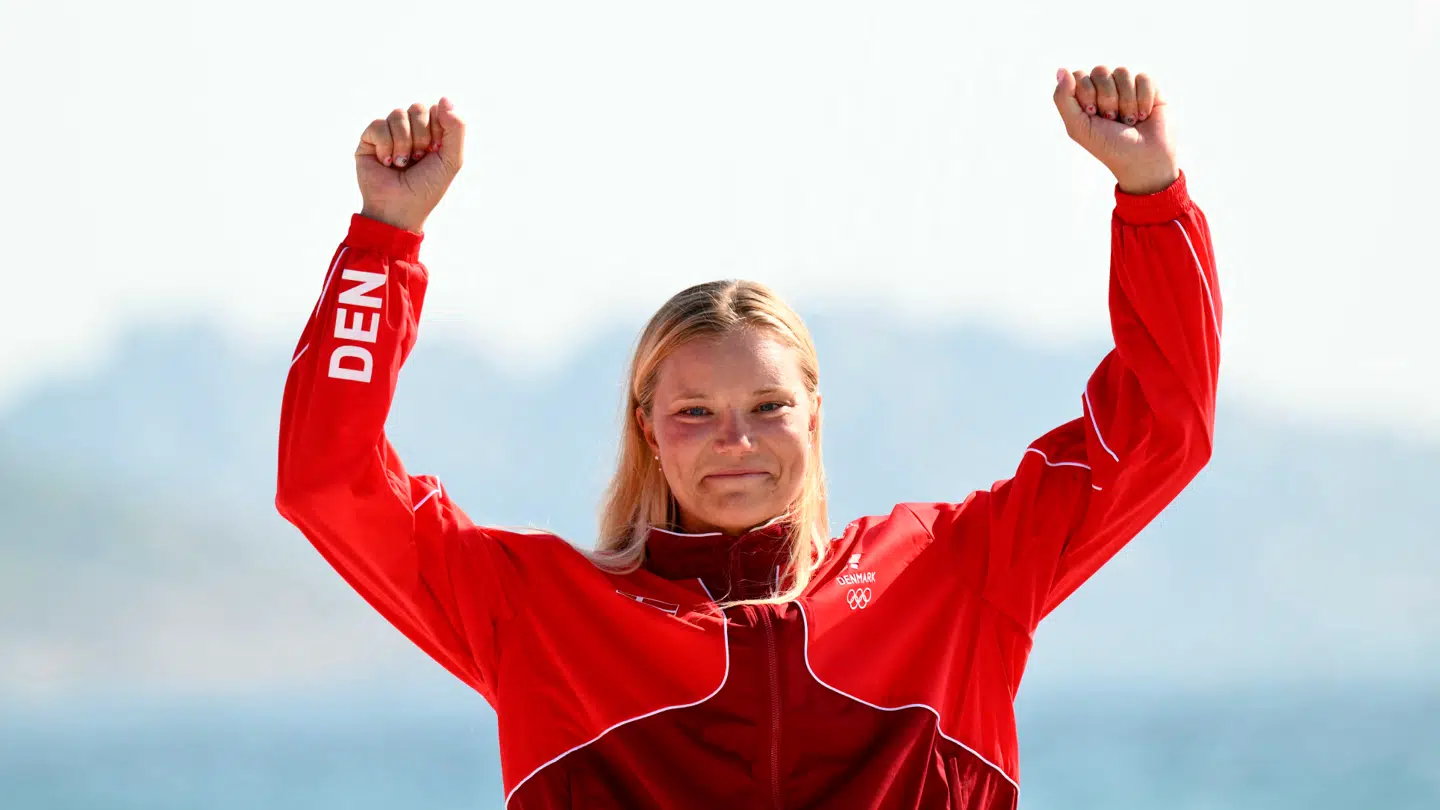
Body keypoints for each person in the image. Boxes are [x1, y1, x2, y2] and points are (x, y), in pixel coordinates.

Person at [275, 64, 1220, 810]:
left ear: (815, 412)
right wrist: (384, 240)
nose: (735, 439)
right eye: (694, 412)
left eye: (768, 406)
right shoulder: (541, 615)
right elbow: (328, 484)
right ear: (647, 432)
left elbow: (1161, 429)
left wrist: (1152, 194)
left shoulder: (953, 574)